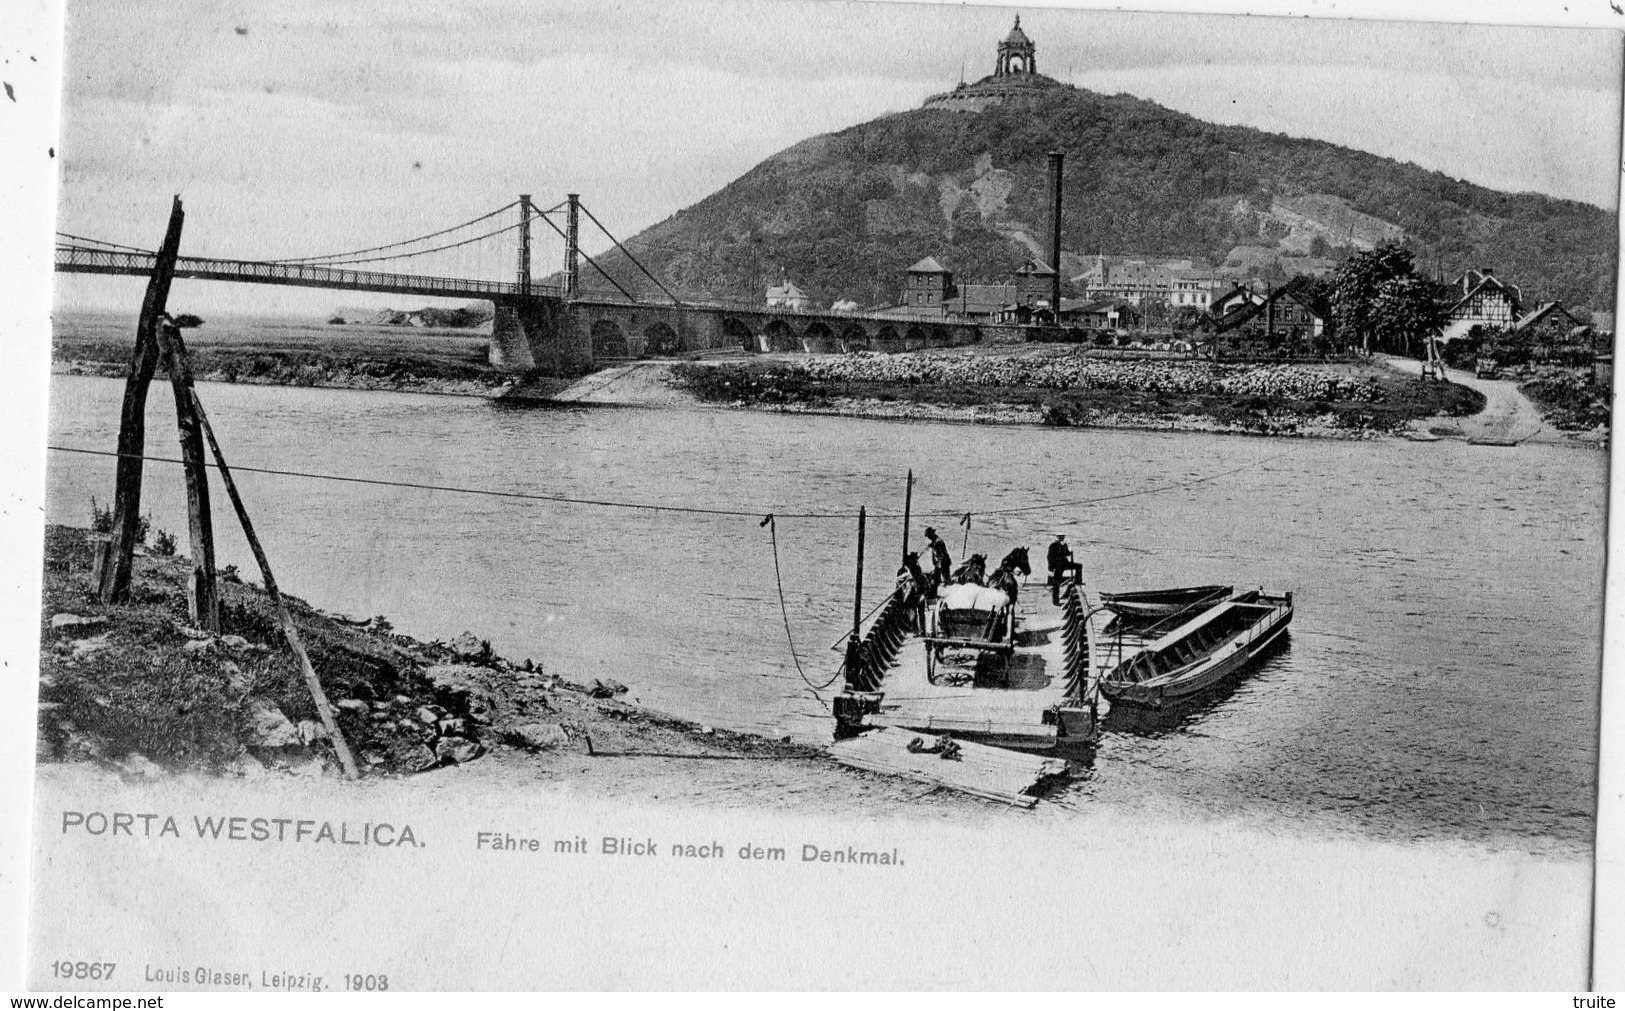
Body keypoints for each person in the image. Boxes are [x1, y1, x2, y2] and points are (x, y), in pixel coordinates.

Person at [1047, 533, 1083, 605]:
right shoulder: (1052, 546)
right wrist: (1051, 566)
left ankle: (1077, 582)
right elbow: (1049, 557)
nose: (1061, 539)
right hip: (1057, 566)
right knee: (1056, 583)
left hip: (1065, 564)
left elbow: (1066, 553)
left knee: (1079, 566)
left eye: (1062, 537)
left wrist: (1070, 552)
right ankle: (1055, 601)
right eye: (1060, 537)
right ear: (1057, 538)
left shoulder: (1064, 545)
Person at [923, 526, 952, 595]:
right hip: (939, 564)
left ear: (932, 534)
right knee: (937, 579)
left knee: (946, 580)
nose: (928, 538)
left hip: (943, 563)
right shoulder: (935, 541)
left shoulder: (938, 542)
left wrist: (939, 566)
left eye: (929, 536)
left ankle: (948, 594)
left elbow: (942, 555)